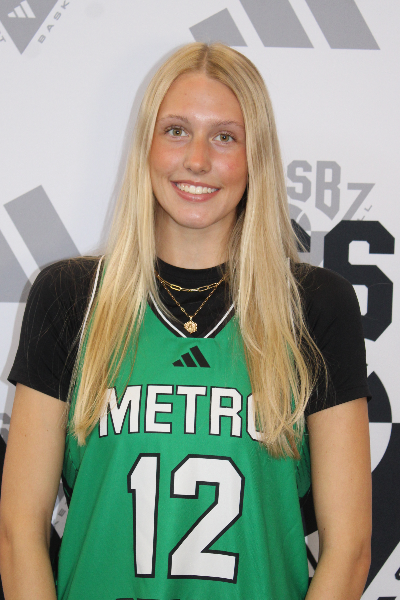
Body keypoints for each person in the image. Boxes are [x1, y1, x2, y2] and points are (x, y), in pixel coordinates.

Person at [0, 43, 371, 600]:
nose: (197, 160)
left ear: (256, 156)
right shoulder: (70, 297)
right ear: (145, 145)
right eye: (176, 130)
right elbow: (18, 534)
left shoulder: (315, 306)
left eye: (224, 137)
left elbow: (349, 548)